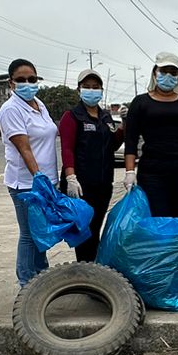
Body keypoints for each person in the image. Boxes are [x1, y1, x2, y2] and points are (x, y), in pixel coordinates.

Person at [124, 51, 178, 217]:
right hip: (152, 171)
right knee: (158, 216)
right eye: (164, 71)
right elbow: (130, 140)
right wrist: (129, 171)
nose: (168, 76)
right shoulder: (141, 102)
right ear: (155, 73)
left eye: (173, 72)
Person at [0, 58, 59, 286]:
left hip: (46, 181)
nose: (27, 84)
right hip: (26, 183)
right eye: (21, 80)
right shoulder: (11, 110)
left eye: (32, 79)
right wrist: (39, 178)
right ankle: (26, 283)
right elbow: (24, 148)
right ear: (11, 83)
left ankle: (41, 278)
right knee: (29, 235)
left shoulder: (39, 105)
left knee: (40, 232)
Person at [57, 69, 123, 263]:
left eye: (95, 87)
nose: (91, 90)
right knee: (83, 232)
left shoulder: (105, 117)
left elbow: (112, 145)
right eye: (87, 87)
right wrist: (70, 177)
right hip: (80, 185)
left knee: (95, 229)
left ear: (101, 90)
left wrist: (124, 126)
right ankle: (85, 269)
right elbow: (67, 149)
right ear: (79, 89)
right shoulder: (72, 116)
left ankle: (92, 269)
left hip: (103, 184)